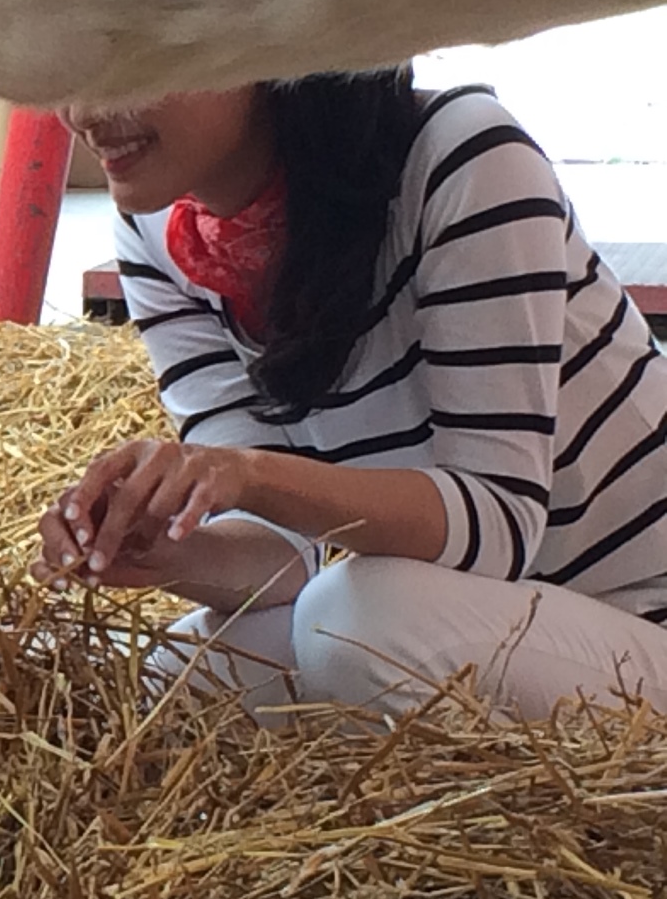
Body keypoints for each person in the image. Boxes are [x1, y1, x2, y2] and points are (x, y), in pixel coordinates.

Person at [38, 66, 667, 721]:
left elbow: (498, 521)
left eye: (131, 56)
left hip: (637, 605)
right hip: (475, 610)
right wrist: (162, 549)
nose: (82, 109)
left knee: (354, 622)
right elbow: (283, 563)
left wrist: (247, 473)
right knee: (174, 682)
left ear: (262, 42)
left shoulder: (462, 156)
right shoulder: (156, 234)